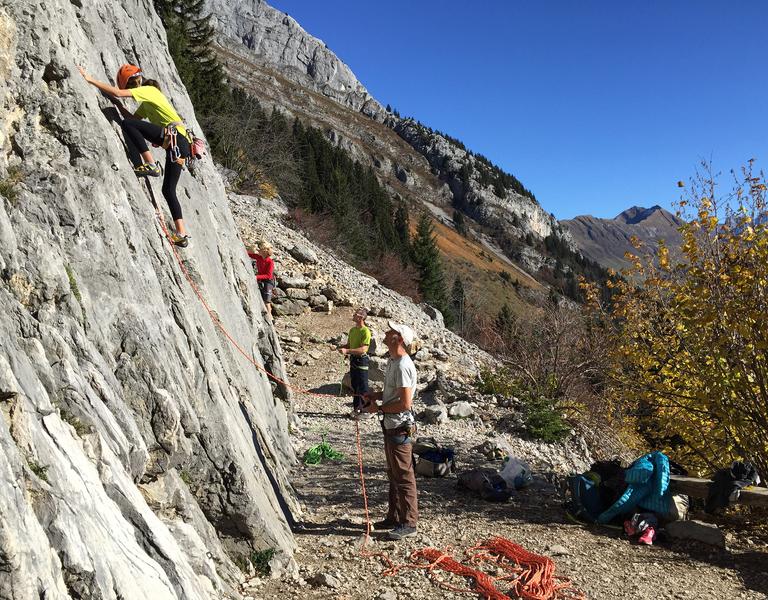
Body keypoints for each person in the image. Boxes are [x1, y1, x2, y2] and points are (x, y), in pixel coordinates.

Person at [77, 64, 191, 247]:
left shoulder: (149, 91)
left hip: (175, 138)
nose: (130, 89)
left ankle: (150, 164)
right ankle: (182, 234)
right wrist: (118, 105)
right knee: (168, 190)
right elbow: (133, 118)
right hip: (180, 144)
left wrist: (89, 79)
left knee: (128, 126)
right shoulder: (147, 103)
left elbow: (119, 95)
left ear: (135, 81)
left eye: (130, 86)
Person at [362, 321, 419, 541]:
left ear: (399, 339)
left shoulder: (403, 365)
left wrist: (378, 408)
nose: (386, 333)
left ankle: (409, 523)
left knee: (403, 475)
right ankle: (394, 517)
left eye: (391, 331)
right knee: (394, 473)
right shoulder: (394, 361)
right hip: (393, 426)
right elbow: (395, 395)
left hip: (399, 427)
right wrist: (376, 396)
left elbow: (405, 403)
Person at [339, 308, 371, 418]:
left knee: (363, 386)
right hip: (353, 360)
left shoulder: (365, 331)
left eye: (355, 314)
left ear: (361, 317)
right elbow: (349, 345)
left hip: (361, 361)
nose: (353, 315)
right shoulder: (352, 330)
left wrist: (347, 351)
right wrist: (339, 348)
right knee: (355, 385)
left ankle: (366, 410)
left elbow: (363, 349)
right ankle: (357, 409)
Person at [247, 241, 275, 319]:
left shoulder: (270, 262)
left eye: (259, 249)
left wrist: (256, 277)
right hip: (260, 279)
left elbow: (268, 276)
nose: (258, 250)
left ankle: (270, 317)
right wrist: (251, 248)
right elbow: (248, 253)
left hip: (268, 281)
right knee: (262, 297)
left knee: (267, 300)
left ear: (264, 251)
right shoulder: (258, 257)